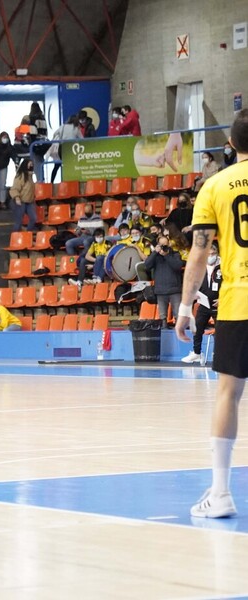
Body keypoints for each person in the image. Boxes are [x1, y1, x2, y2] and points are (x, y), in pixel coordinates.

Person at [175, 108, 248, 519]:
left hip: (240, 299)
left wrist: (186, 307)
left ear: (231, 145)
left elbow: (199, 252)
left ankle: (220, 493)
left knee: (229, 394)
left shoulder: (215, 186)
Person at [182, 240, 222, 364]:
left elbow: (229, 283)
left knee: (221, 331)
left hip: (219, 304)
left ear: (217, 253)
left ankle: (220, 356)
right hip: (204, 303)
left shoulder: (224, 266)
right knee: (197, 328)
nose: (210, 255)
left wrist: (223, 298)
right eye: (208, 253)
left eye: (212, 252)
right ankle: (197, 353)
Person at [143, 234, 184, 325]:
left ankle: (179, 335)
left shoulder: (175, 254)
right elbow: (146, 266)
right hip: (160, 290)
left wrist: (166, 255)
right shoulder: (155, 257)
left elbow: (178, 266)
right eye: (161, 245)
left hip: (174, 290)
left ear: (169, 244)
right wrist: (154, 253)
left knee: (178, 315)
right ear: (158, 245)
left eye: (165, 244)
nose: (163, 247)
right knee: (162, 317)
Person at [48, 115, 82, 183]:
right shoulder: (75, 128)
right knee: (70, 165)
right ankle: (69, 182)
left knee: (57, 165)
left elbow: (55, 134)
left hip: (61, 147)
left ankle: (51, 182)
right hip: (70, 149)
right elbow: (82, 138)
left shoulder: (63, 126)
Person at [9, 158, 37, 232]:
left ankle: (27, 234)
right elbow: (14, 188)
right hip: (20, 201)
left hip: (29, 202)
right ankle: (16, 237)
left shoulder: (30, 176)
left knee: (33, 218)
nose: (31, 165)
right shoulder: (21, 176)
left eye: (32, 164)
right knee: (18, 221)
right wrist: (17, 197)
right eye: (29, 163)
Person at [28, 102, 49, 182]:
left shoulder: (33, 118)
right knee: (40, 162)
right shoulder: (43, 118)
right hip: (43, 142)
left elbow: (33, 132)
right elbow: (46, 132)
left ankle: (40, 181)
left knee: (36, 163)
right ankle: (42, 179)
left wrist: (31, 141)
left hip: (36, 143)